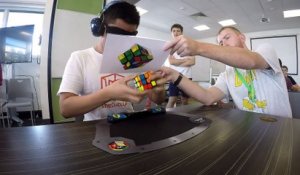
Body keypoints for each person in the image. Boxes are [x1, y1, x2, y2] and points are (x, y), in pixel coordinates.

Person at [58, 1, 165, 121]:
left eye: (129, 37)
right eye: (117, 35)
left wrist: (158, 91)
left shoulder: (134, 58)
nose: (123, 42)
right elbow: (65, 109)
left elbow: (157, 99)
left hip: (129, 124)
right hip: (95, 130)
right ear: (100, 29)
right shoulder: (80, 58)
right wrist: (109, 94)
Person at [161, 26, 292, 118]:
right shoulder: (227, 74)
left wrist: (198, 47)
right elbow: (207, 97)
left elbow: (251, 61)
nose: (223, 44)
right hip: (252, 132)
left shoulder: (265, 50)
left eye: (227, 37)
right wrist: (174, 75)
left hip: (281, 129)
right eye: (220, 43)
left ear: (242, 37)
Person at [164, 24, 195, 108]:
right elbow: (171, 61)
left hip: (187, 77)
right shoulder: (169, 47)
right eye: (174, 31)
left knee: (185, 100)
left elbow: (192, 62)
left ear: (182, 33)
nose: (176, 33)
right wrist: (185, 60)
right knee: (172, 100)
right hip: (174, 77)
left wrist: (176, 62)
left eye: (178, 31)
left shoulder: (188, 45)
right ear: (171, 33)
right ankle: (167, 118)